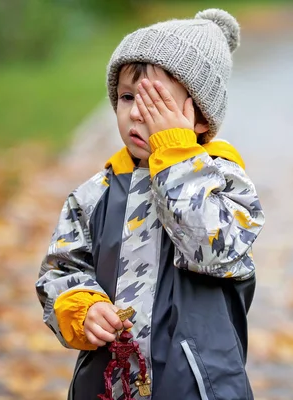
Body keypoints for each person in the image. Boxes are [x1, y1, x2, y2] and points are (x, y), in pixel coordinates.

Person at [36, 8, 265, 400]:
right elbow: (60, 270)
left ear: (200, 118)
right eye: (127, 97)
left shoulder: (224, 182)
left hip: (197, 385)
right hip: (109, 383)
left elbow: (210, 249)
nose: (137, 113)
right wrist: (81, 308)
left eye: (157, 102)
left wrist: (175, 156)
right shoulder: (95, 195)